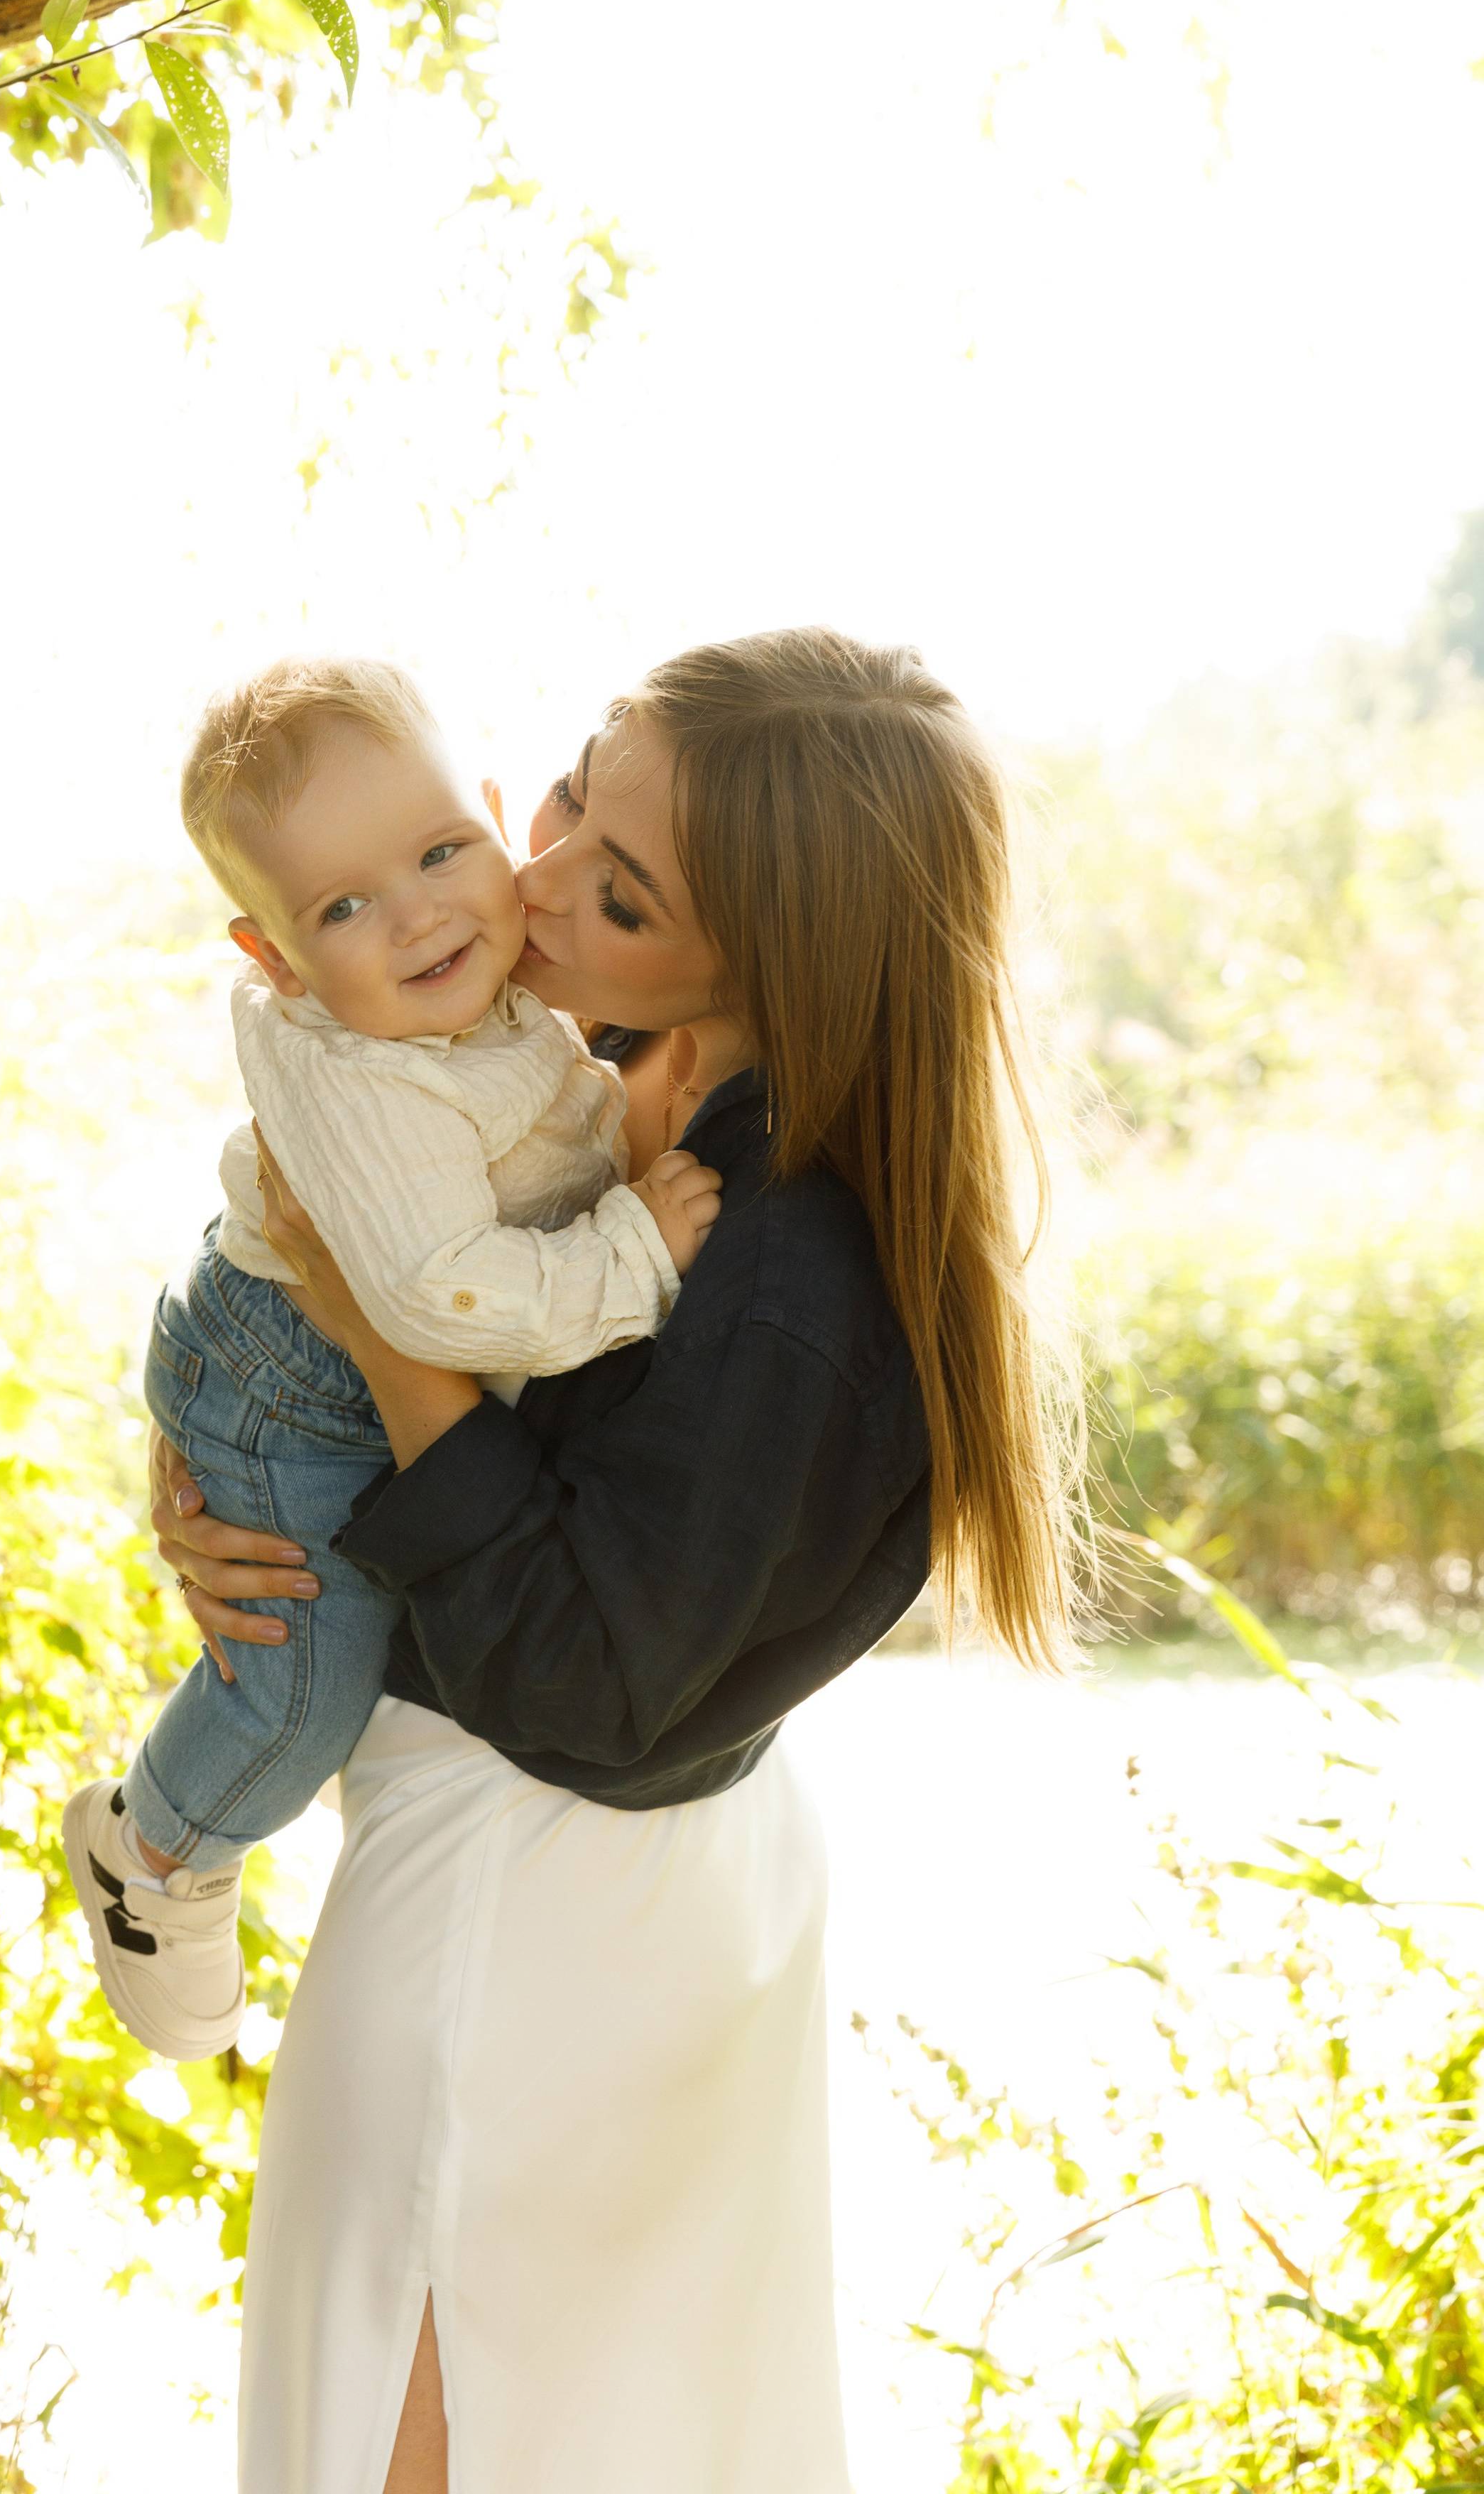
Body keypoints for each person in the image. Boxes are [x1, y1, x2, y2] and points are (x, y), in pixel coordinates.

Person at [149, 629, 1089, 2494]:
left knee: (438, 2430)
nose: (535, 872)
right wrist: (230, 1476)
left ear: (759, 956)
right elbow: (305, 1271)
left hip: (535, 1900)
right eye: (572, 790)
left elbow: (583, 1678)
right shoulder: (572, 1068)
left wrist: (395, 1347)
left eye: (621, 885)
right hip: (605, 1896)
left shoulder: (789, 1278)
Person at [62, 652, 723, 2062]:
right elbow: (435, 1299)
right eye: (343, 906)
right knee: (303, 1687)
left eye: (440, 852)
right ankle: (156, 1852)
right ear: (273, 957)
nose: (420, 913)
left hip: (305, 1362)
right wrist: (637, 1257)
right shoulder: (382, 1065)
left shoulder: (488, 981)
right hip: (289, 1391)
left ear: (483, 816)